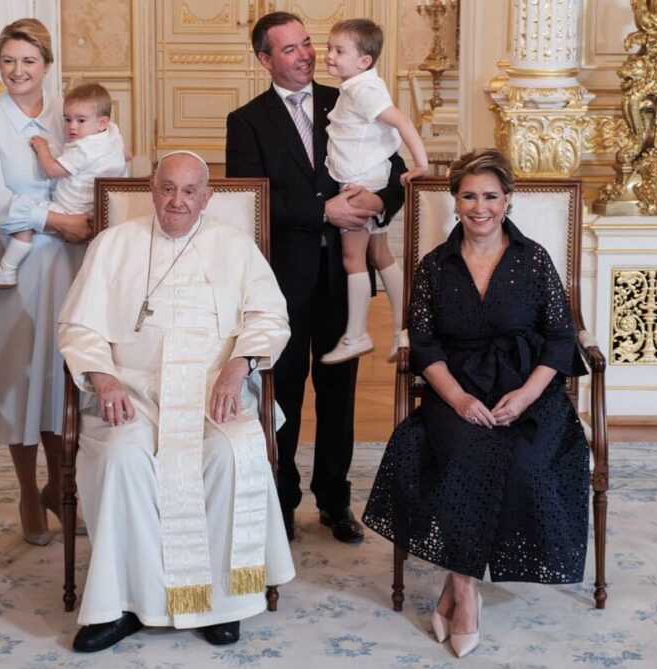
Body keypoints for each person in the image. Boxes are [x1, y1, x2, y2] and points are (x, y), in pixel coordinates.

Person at [58, 152, 295, 652]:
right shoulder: (113, 245)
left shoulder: (236, 246)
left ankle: (221, 603)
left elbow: (271, 317)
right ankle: (120, 604)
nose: (177, 201)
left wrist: (240, 365)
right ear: (152, 188)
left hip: (213, 393)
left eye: (190, 191)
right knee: (123, 457)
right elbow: (79, 325)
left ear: (208, 197)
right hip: (134, 391)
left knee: (230, 455)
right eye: (168, 188)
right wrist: (102, 378)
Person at [362, 148, 590, 659]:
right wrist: (460, 399)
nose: (479, 206)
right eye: (469, 195)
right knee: (464, 456)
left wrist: (528, 395)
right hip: (456, 389)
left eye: (490, 195)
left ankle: (455, 585)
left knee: (528, 463)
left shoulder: (533, 260)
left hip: (530, 390)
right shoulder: (434, 266)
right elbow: (423, 343)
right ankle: (466, 591)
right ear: (455, 200)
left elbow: (559, 336)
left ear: (508, 200)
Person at [225, 11, 406, 543]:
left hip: (342, 275)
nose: (305, 55)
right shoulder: (247, 120)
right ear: (265, 60)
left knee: (339, 391)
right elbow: (253, 201)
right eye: (289, 49)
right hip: (281, 278)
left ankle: (334, 499)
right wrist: (322, 212)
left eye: (307, 44)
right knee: (282, 392)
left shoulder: (350, 95)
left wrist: (381, 199)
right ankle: (280, 501)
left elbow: (394, 168)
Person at [0, 19, 92, 545]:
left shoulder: (73, 115)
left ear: (46, 65)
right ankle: (25, 491)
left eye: (28, 61)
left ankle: (62, 487)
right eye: (8, 61)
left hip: (71, 264)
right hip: (13, 265)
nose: (17, 71)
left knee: (63, 379)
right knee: (21, 381)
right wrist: (58, 220)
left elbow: (102, 169)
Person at [318, 18, 428, 365]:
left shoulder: (363, 91)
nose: (329, 56)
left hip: (359, 182)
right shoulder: (359, 84)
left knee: (353, 259)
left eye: (339, 51)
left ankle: (356, 334)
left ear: (364, 60)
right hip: (370, 175)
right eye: (329, 48)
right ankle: (401, 330)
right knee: (381, 254)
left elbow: (402, 122)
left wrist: (420, 163)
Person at [0, 82, 127, 287]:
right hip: (95, 212)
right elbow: (127, 155)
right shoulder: (112, 134)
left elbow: (53, 170)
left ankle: (6, 270)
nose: (72, 127)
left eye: (80, 121)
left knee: (24, 217)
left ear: (102, 122)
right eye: (67, 120)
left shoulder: (84, 148)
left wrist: (42, 148)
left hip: (69, 210)